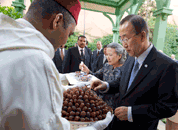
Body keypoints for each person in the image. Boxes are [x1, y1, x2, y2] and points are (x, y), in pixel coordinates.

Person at [0, 0, 112, 129]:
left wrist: (64, 81)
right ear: (57, 21)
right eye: (69, 34)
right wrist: (93, 128)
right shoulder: (37, 61)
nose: (66, 40)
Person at [90, 14, 178, 130]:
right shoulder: (130, 58)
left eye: (126, 38)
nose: (124, 44)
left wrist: (132, 113)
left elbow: (169, 106)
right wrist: (106, 85)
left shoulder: (167, 65)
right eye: (121, 39)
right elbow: (123, 82)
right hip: (117, 123)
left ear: (142, 36)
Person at [80, 42, 127, 109]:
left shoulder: (125, 70)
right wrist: (88, 71)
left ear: (119, 56)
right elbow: (97, 75)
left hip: (116, 106)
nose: (108, 58)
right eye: (107, 55)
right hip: (101, 103)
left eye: (110, 55)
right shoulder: (107, 65)